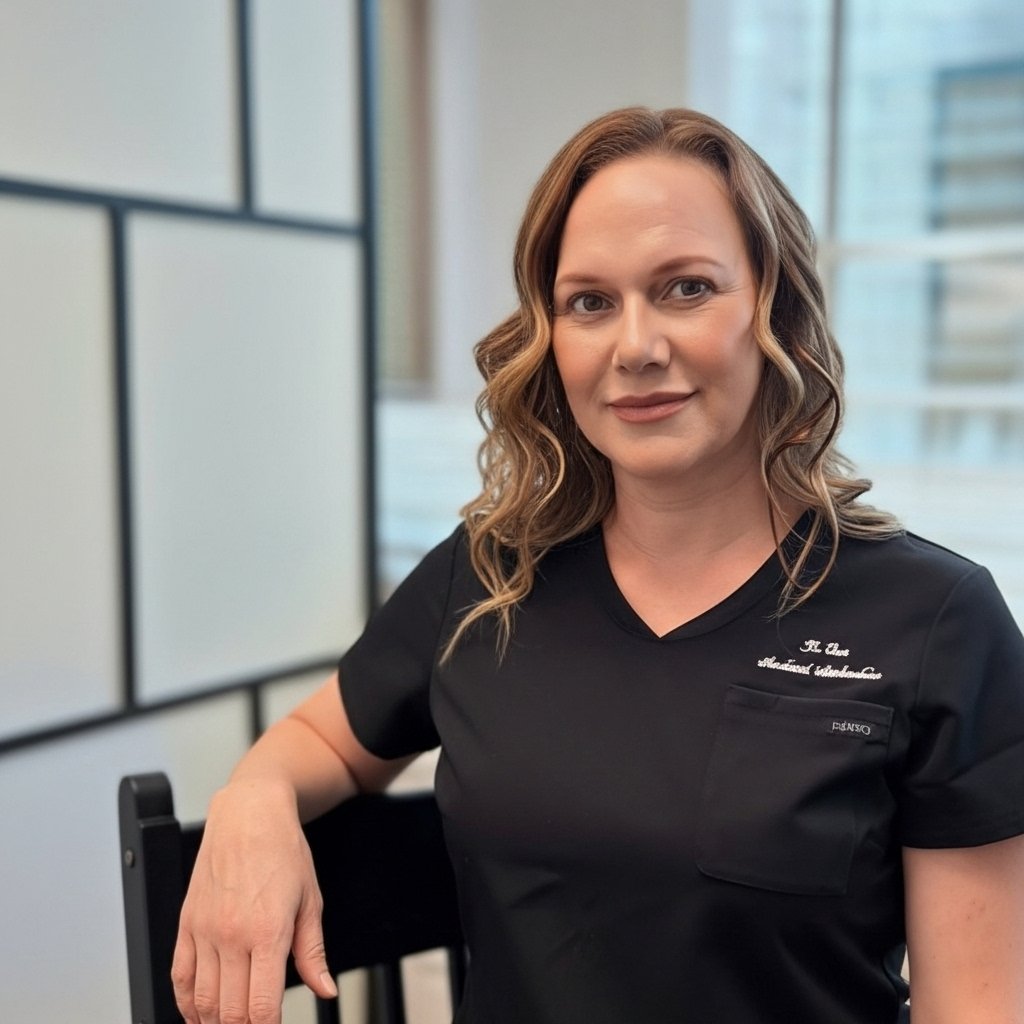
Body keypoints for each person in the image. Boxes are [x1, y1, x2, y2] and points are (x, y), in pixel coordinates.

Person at [171, 108, 1024, 1024]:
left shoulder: (935, 619)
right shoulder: (488, 577)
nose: (636, 347)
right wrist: (252, 802)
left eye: (686, 288)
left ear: (775, 310)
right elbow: (329, 740)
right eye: (589, 302)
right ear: (550, 338)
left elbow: (977, 1005)